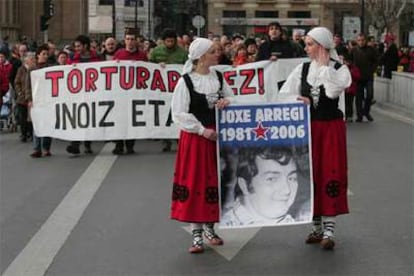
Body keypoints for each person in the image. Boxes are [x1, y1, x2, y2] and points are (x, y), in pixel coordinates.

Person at [276, 27, 351, 250]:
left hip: (330, 128)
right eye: (306, 44)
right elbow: (284, 94)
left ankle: (329, 227)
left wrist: (326, 66)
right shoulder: (302, 68)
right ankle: (316, 225)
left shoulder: (339, 69)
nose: (306, 48)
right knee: (309, 173)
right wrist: (298, 99)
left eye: (310, 44)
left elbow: (332, 93)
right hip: (308, 128)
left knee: (331, 171)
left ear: (321, 45)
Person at [170, 38, 233, 254]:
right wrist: (201, 130)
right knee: (195, 181)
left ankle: (209, 228)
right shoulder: (186, 81)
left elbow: (233, 97)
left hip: (217, 137)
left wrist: (227, 102)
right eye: (213, 51)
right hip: (196, 138)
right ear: (202, 56)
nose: (218, 54)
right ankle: (196, 233)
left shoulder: (218, 77)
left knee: (215, 181)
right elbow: (179, 113)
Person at [221, 146, 309, 227]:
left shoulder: (299, 220)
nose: (287, 190)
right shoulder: (227, 227)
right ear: (244, 186)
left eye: (291, 178)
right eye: (271, 179)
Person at [150, 28, 188, 152]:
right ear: (163, 41)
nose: (170, 43)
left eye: (172, 41)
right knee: (163, 113)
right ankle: (165, 140)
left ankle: (178, 138)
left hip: (177, 89)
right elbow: (148, 67)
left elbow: (188, 67)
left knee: (178, 112)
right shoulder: (156, 51)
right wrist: (157, 66)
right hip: (161, 90)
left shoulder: (183, 53)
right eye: (168, 41)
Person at [111, 30, 148, 155]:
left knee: (132, 119)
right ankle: (119, 144)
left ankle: (130, 145)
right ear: (124, 40)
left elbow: (148, 71)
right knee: (119, 119)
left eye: (132, 39)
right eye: (128, 39)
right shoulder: (119, 54)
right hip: (120, 93)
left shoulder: (142, 55)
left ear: (136, 41)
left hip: (135, 93)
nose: (130, 41)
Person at [66, 35, 102, 155]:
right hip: (77, 94)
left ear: (85, 46)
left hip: (93, 93)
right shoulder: (72, 58)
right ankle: (75, 143)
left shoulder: (97, 58)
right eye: (75, 46)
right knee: (77, 119)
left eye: (78, 46)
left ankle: (87, 143)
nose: (76, 48)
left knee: (89, 119)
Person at [25, 44, 53, 158]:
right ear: (38, 55)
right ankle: (37, 148)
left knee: (47, 124)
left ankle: (46, 148)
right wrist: (29, 99)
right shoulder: (32, 69)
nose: (45, 56)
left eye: (47, 54)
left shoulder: (51, 68)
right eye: (43, 54)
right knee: (36, 124)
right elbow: (28, 86)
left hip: (48, 100)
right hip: (36, 100)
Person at [351, 33, 378, 122]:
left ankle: (366, 111)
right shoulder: (354, 50)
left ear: (365, 40)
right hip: (358, 77)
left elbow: (376, 61)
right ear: (357, 41)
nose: (361, 42)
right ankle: (359, 115)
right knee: (359, 97)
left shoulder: (371, 50)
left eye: (362, 40)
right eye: (359, 40)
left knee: (370, 95)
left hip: (368, 76)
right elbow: (349, 61)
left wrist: (372, 69)